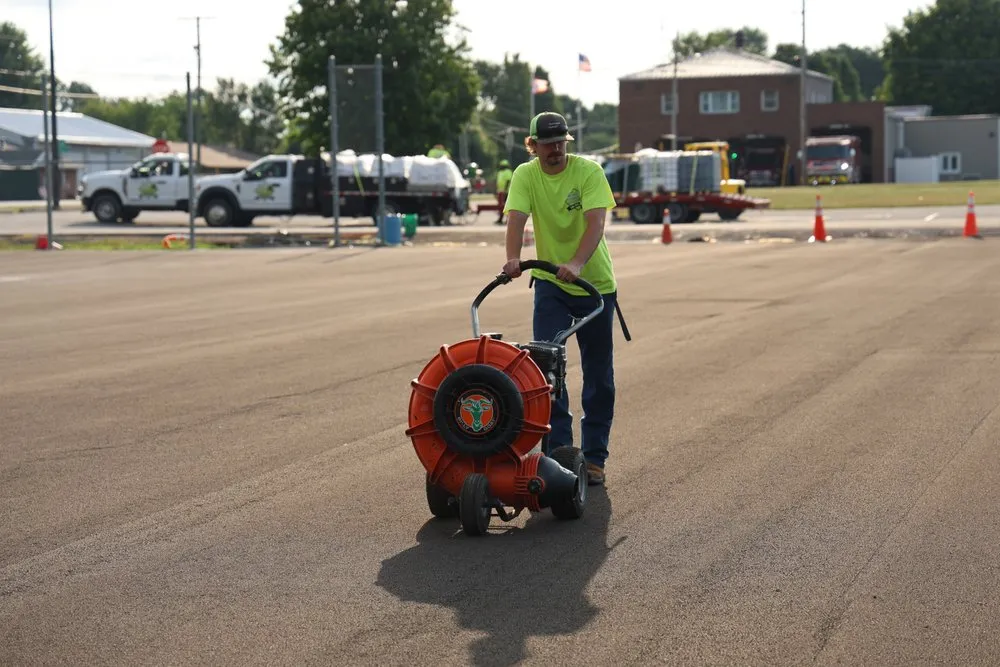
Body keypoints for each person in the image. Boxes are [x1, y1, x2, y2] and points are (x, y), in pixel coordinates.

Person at [501, 112, 623, 486]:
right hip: (550, 282)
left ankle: (595, 455)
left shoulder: (588, 172)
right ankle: (559, 457)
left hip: (594, 284)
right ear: (532, 145)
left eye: (561, 143)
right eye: (547, 144)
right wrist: (512, 258)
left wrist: (576, 262)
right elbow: (517, 217)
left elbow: (596, 223)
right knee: (546, 370)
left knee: (598, 373)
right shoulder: (526, 175)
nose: (555, 150)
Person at [494, 159, 513, 225]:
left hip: (506, 192)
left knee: (507, 206)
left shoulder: (508, 171)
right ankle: (500, 219)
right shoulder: (500, 172)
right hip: (500, 191)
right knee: (500, 206)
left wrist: (505, 190)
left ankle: (508, 220)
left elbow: (508, 181)